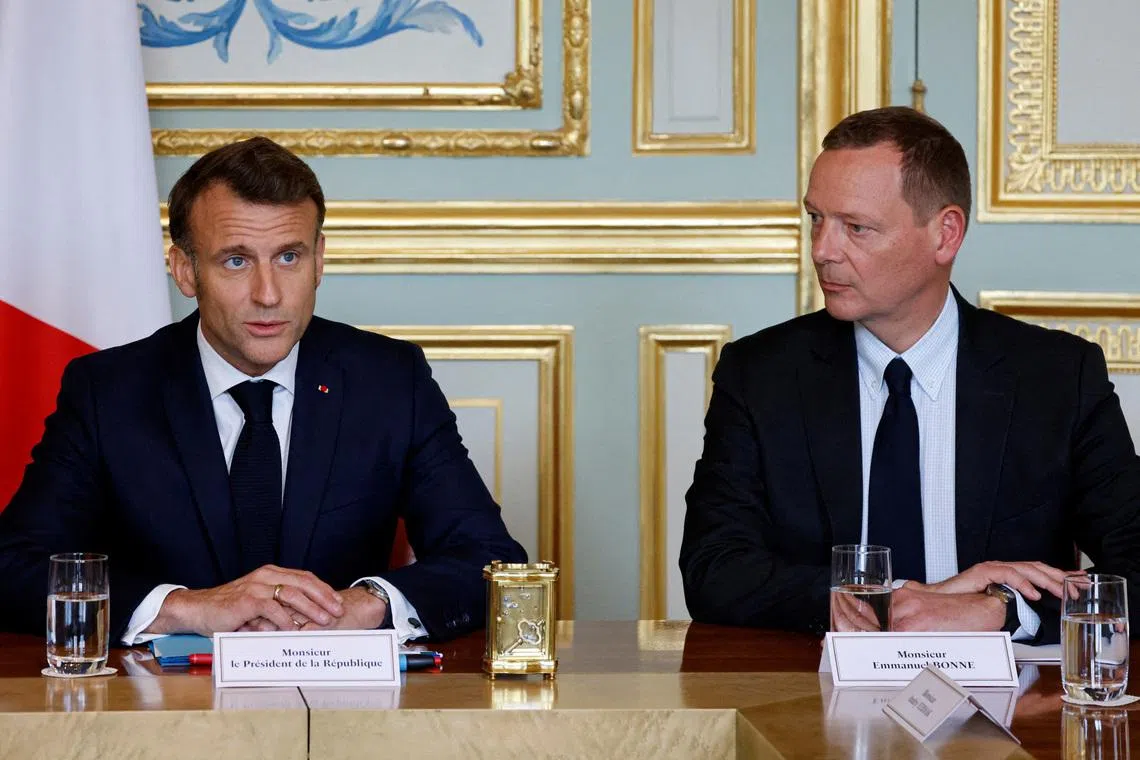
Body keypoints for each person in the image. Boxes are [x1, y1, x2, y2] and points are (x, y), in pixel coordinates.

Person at [0, 136, 526, 644]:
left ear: (319, 259)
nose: (268, 294)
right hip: (162, 711)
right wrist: (186, 608)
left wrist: (367, 604)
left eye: (289, 257)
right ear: (185, 270)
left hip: (345, 709)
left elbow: (491, 561)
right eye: (236, 260)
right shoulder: (108, 392)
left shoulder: (390, 380)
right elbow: (12, 567)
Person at [680, 106, 1140, 643]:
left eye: (857, 227)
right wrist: (893, 601)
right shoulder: (760, 373)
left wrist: (1003, 610)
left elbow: (1135, 563)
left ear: (945, 234)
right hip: (813, 702)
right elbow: (713, 568)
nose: (823, 250)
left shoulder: (1058, 377)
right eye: (816, 219)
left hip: (1011, 714)